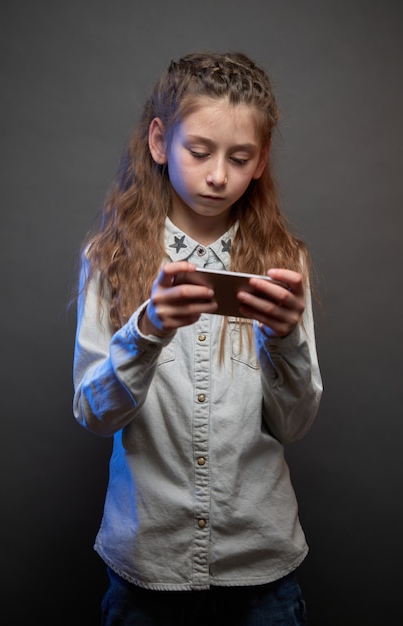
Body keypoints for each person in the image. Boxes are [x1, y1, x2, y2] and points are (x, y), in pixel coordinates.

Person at [72, 51, 323, 626]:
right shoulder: (109, 261)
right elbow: (93, 412)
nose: (218, 175)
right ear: (160, 141)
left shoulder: (285, 262)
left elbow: (296, 424)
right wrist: (148, 330)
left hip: (263, 569)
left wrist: (285, 338)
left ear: (260, 161)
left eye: (240, 158)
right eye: (199, 151)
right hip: (147, 568)